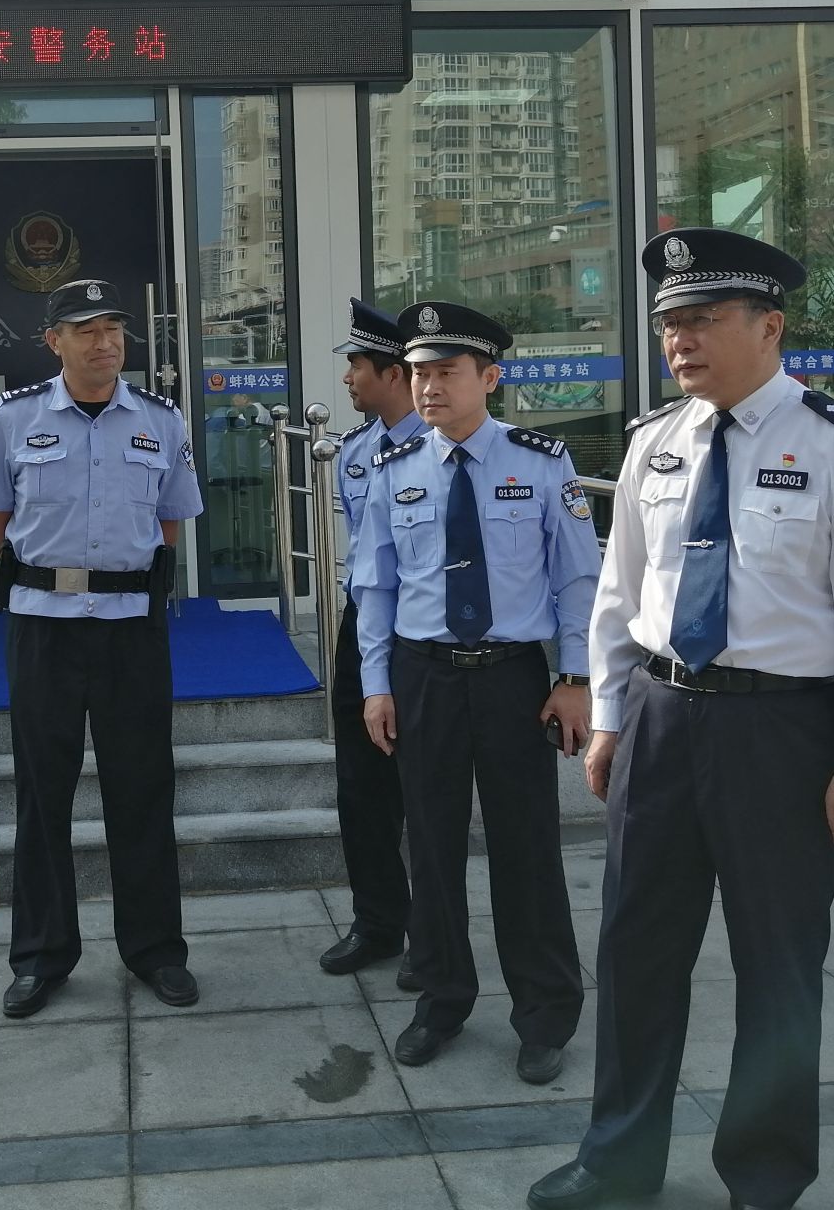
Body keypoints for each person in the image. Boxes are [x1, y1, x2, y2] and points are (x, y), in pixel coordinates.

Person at [531, 228, 834, 1210]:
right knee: (637, 951)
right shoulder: (655, 443)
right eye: (671, 323)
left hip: (782, 733)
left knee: (778, 966)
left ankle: (765, 1176)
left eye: (703, 320)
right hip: (661, 721)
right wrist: (610, 719)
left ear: (769, 326)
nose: (681, 340)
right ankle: (616, 1162)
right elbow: (618, 599)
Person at [353, 301, 598, 1086]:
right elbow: (375, 587)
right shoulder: (393, 469)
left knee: (527, 850)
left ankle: (545, 1013)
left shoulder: (542, 461)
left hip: (512, 678)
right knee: (430, 846)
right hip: (422, 675)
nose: (428, 387)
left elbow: (578, 578)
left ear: (490, 378)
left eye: (446, 372)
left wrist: (575, 678)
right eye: (418, 373)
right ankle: (441, 1000)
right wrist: (375, 685)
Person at [0, 277, 204, 1019]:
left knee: (143, 788)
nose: (106, 343)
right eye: (87, 330)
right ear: (54, 342)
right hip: (44, 625)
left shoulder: (161, 419)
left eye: (114, 330)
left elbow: (169, 523)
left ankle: (156, 950)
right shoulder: (13, 417)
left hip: (132, 627)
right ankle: (42, 957)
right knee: (43, 794)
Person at [317, 299, 424, 988]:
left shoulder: (443, 443)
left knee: (429, 790)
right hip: (365, 627)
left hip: (430, 632)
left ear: (392, 372)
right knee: (361, 785)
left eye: (357, 364)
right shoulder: (354, 453)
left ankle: (433, 936)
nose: (348, 377)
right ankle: (377, 921)